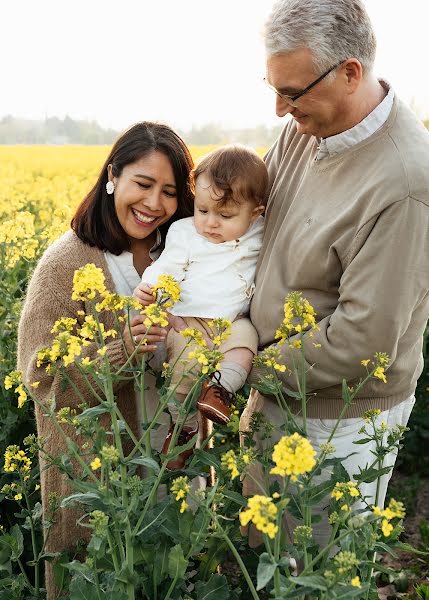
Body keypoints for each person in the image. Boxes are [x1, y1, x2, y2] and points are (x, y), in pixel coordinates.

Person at [240, 0, 429, 546]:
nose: (279, 110)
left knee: (316, 572)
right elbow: (253, 220)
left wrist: (242, 368)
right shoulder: (308, 124)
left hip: (337, 422)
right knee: (261, 558)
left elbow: (362, 339)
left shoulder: (407, 182)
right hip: (275, 390)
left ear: (350, 72)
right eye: (274, 88)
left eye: (293, 92)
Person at [17, 121, 194, 598]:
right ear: (112, 175)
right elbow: (41, 378)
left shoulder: (184, 253)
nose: (154, 203)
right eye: (143, 183)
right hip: (97, 474)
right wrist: (121, 352)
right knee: (97, 577)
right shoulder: (67, 263)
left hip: (172, 459)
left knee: (171, 575)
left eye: (170, 191)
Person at [134, 145, 268, 469]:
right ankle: (183, 427)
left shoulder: (261, 234)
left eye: (225, 216)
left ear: (255, 213)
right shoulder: (185, 234)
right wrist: (150, 287)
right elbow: (167, 266)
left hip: (233, 318)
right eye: (203, 210)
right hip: (188, 320)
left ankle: (219, 391)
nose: (210, 223)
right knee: (184, 367)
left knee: (246, 344)